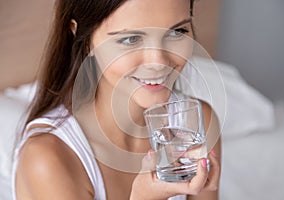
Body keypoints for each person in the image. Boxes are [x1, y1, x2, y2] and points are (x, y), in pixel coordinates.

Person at [12, 0, 221, 199]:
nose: (158, 62)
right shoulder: (50, 159)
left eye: (177, 32)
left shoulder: (198, 122)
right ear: (83, 36)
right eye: (130, 39)